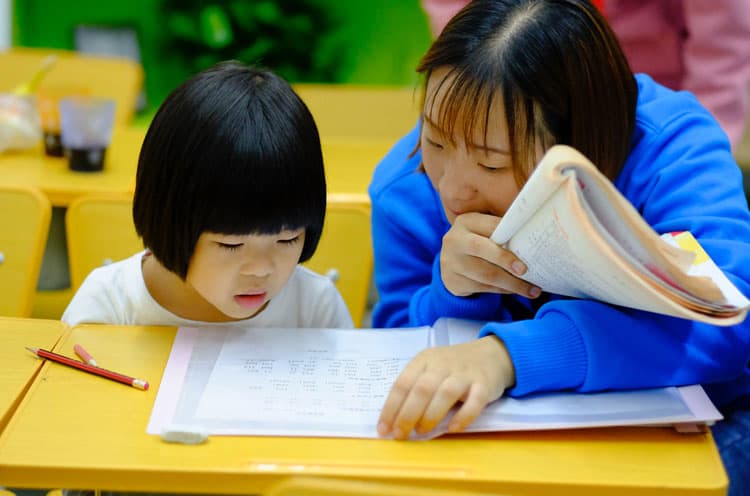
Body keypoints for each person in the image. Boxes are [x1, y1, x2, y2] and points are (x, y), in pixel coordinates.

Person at [368, 1, 750, 494]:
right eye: (437, 141)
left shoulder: (671, 146)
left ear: (582, 144)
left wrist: (506, 356)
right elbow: (392, 354)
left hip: (691, 434)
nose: (454, 190)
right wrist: (452, 292)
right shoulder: (404, 186)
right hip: (487, 448)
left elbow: (727, 322)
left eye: (491, 165)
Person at [62, 60, 353, 330]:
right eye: (231, 244)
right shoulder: (110, 306)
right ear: (168, 219)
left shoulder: (316, 308)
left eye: (288, 239)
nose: (261, 269)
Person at [421, 0, 750, 150]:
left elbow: (723, 38)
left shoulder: (671, 140)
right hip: (513, 92)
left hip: (655, 108)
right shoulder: (408, 180)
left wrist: (702, 142)